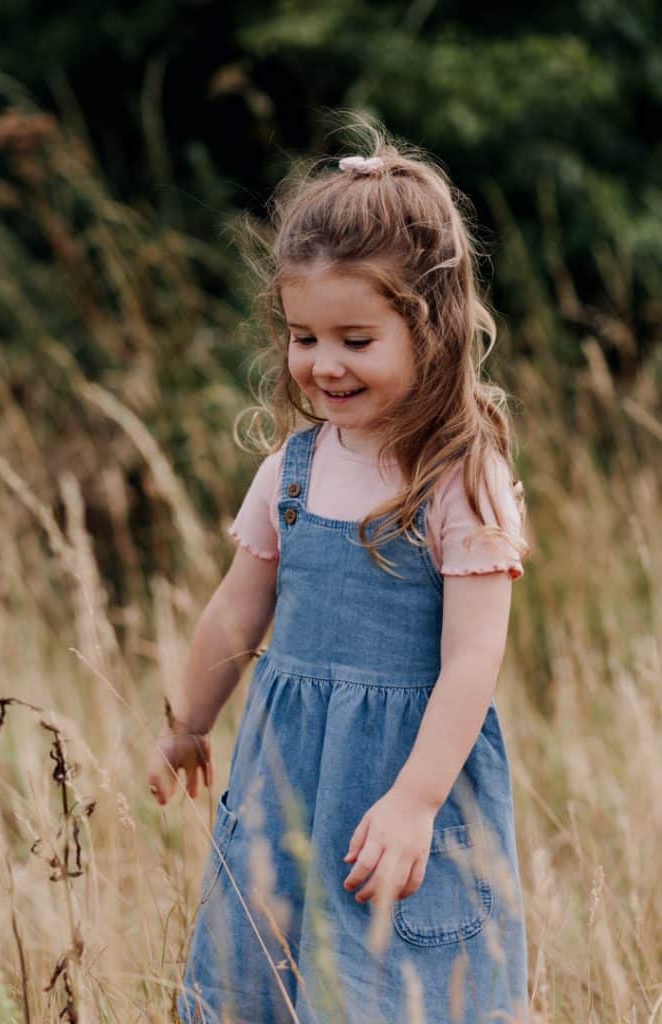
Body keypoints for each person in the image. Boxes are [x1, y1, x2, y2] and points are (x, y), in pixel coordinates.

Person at [147, 120, 531, 1024]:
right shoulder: (293, 466)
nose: (323, 364)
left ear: (428, 326)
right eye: (302, 336)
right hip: (284, 774)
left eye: (355, 339)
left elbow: (473, 661)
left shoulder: (458, 479)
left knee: (389, 997)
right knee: (261, 983)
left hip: (399, 792)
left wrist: (414, 801)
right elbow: (238, 610)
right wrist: (188, 722)